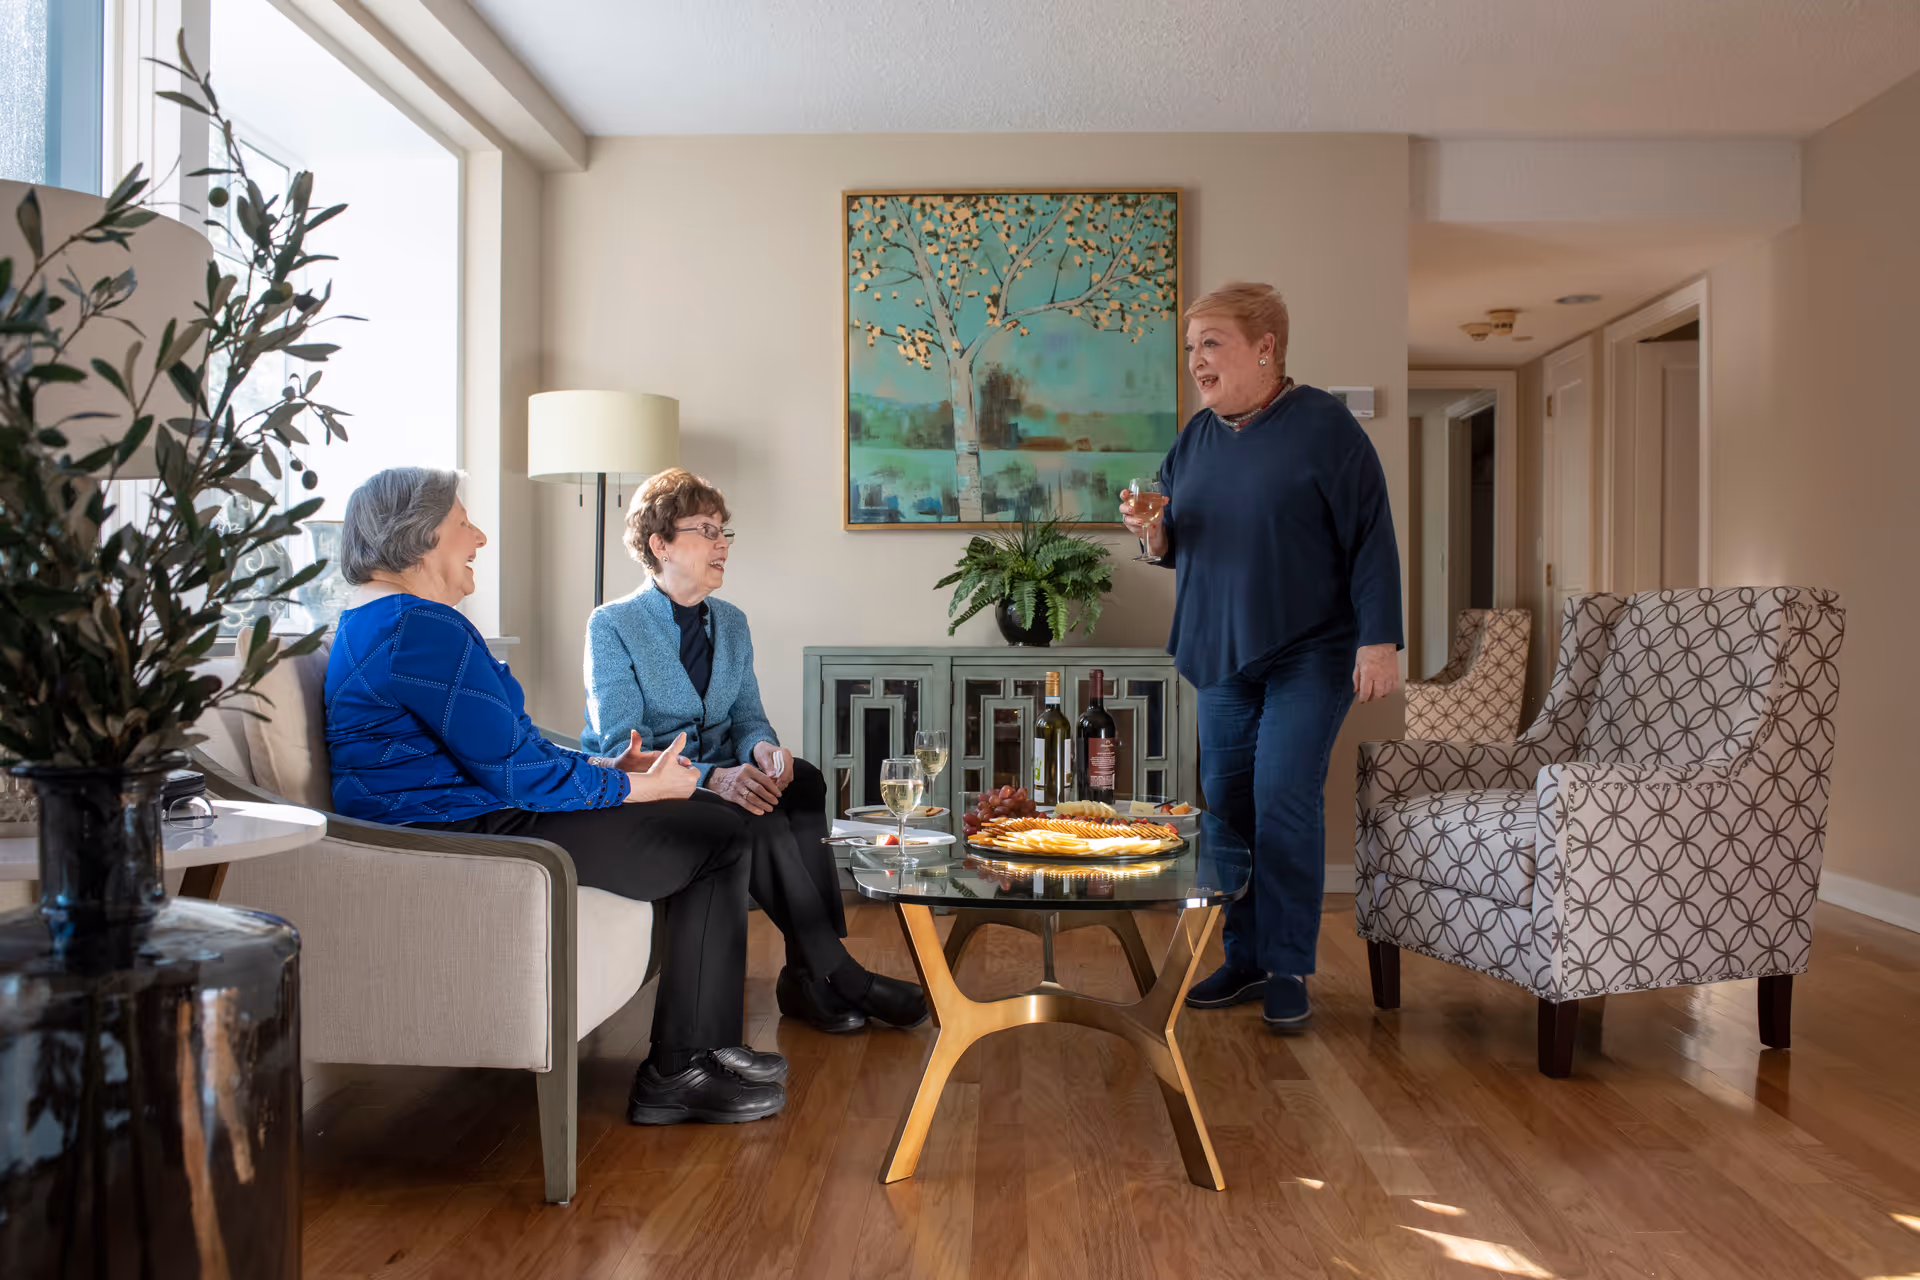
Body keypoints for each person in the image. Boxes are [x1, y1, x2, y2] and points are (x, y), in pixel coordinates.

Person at [326, 467, 804, 1127]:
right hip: (470, 835)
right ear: (423, 535)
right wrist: (639, 786)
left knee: (707, 821)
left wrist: (608, 764)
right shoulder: (419, 629)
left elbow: (505, 750)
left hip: (472, 815)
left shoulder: (381, 623)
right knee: (716, 838)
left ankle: (709, 1047)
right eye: (465, 522)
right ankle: (678, 1072)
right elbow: (518, 775)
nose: (480, 536)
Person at [1120, 282, 1402, 1033]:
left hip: (1311, 648)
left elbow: (1371, 534)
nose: (1195, 361)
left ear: (1266, 348)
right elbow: (1181, 538)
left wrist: (1380, 639)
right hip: (1220, 652)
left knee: (1283, 798)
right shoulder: (1197, 437)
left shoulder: (1325, 427)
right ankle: (1242, 957)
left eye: (1211, 343)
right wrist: (1151, 535)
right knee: (1231, 810)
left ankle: (1286, 966)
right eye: (1190, 348)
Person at [581, 467, 926, 1035]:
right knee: (750, 806)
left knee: (803, 780)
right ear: (659, 544)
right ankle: (831, 972)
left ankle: (808, 974)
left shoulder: (733, 623)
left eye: (724, 532)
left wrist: (764, 750)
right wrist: (717, 777)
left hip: (726, 776)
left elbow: (748, 717)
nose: (722, 544)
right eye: (705, 530)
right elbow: (624, 744)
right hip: (656, 788)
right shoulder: (612, 624)